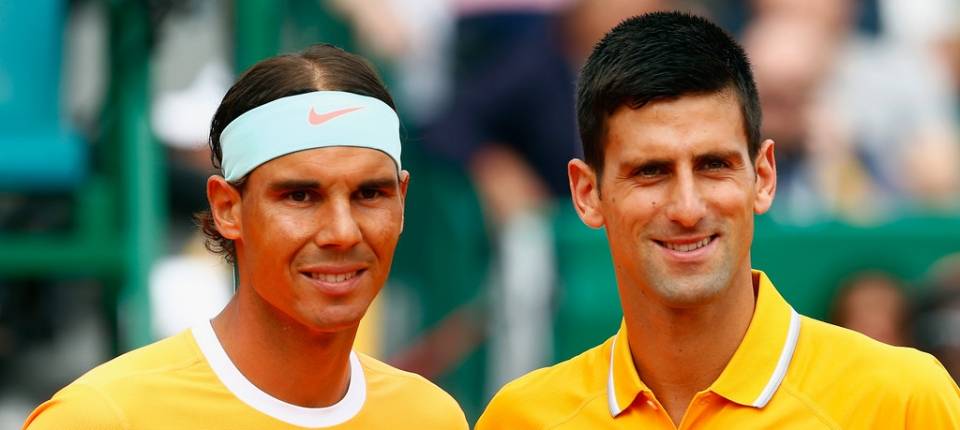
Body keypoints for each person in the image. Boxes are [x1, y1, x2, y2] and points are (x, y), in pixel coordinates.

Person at [476, 11, 960, 429]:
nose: (687, 208)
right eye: (650, 171)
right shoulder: (519, 419)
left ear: (764, 176)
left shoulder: (903, 401)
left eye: (713, 165)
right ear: (587, 193)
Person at [23, 44, 468, 429]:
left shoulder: (431, 417)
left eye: (370, 193)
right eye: (299, 196)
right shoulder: (101, 418)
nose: (342, 232)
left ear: (403, 201)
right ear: (227, 209)